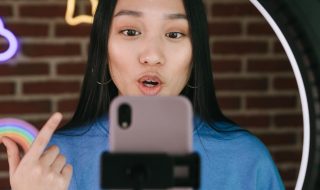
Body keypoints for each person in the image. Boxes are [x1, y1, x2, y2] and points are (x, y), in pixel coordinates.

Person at [0, 0, 285, 189]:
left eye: (174, 35)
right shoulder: (54, 162)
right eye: (130, 31)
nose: (151, 56)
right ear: (104, 46)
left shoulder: (246, 159)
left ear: (196, 52)